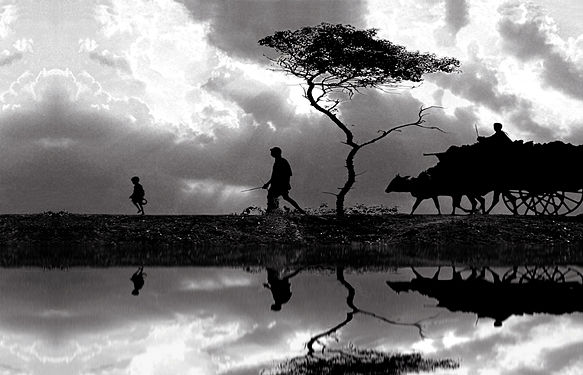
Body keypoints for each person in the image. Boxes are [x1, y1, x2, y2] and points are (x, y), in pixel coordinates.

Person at [262, 147, 307, 214]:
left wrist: (286, 184)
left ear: (276, 153)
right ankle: (300, 211)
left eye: (272, 152)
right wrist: (268, 184)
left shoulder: (282, 161)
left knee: (272, 196)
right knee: (281, 197)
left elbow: (287, 174)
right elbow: (274, 176)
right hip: (278, 184)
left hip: (279, 184)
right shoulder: (278, 162)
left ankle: (271, 212)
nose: (271, 153)